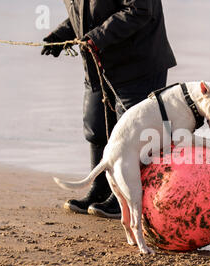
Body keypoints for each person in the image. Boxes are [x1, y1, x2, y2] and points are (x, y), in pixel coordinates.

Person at [41, 0, 176, 219]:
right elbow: (86, 13)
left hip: (138, 65)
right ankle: (101, 187)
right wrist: (62, 34)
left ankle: (125, 195)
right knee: (96, 127)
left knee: (132, 136)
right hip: (100, 65)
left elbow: (140, 10)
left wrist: (96, 37)